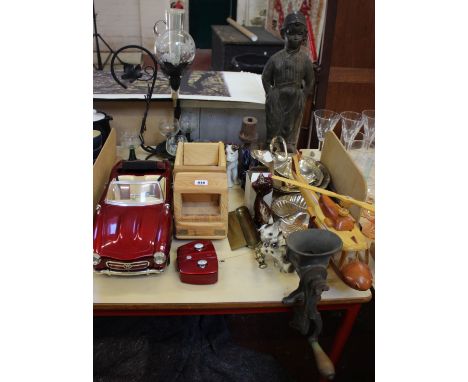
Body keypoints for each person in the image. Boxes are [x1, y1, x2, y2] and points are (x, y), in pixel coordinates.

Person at [262, 11, 314, 152]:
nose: (295, 38)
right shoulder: (275, 58)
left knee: (290, 127)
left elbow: (310, 81)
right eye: (291, 34)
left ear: (304, 37)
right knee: (273, 124)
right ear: (284, 33)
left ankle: (287, 151)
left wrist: (303, 95)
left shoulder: (305, 60)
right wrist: (270, 93)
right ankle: (269, 148)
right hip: (277, 95)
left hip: (295, 98)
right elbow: (265, 77)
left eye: (299, 35)